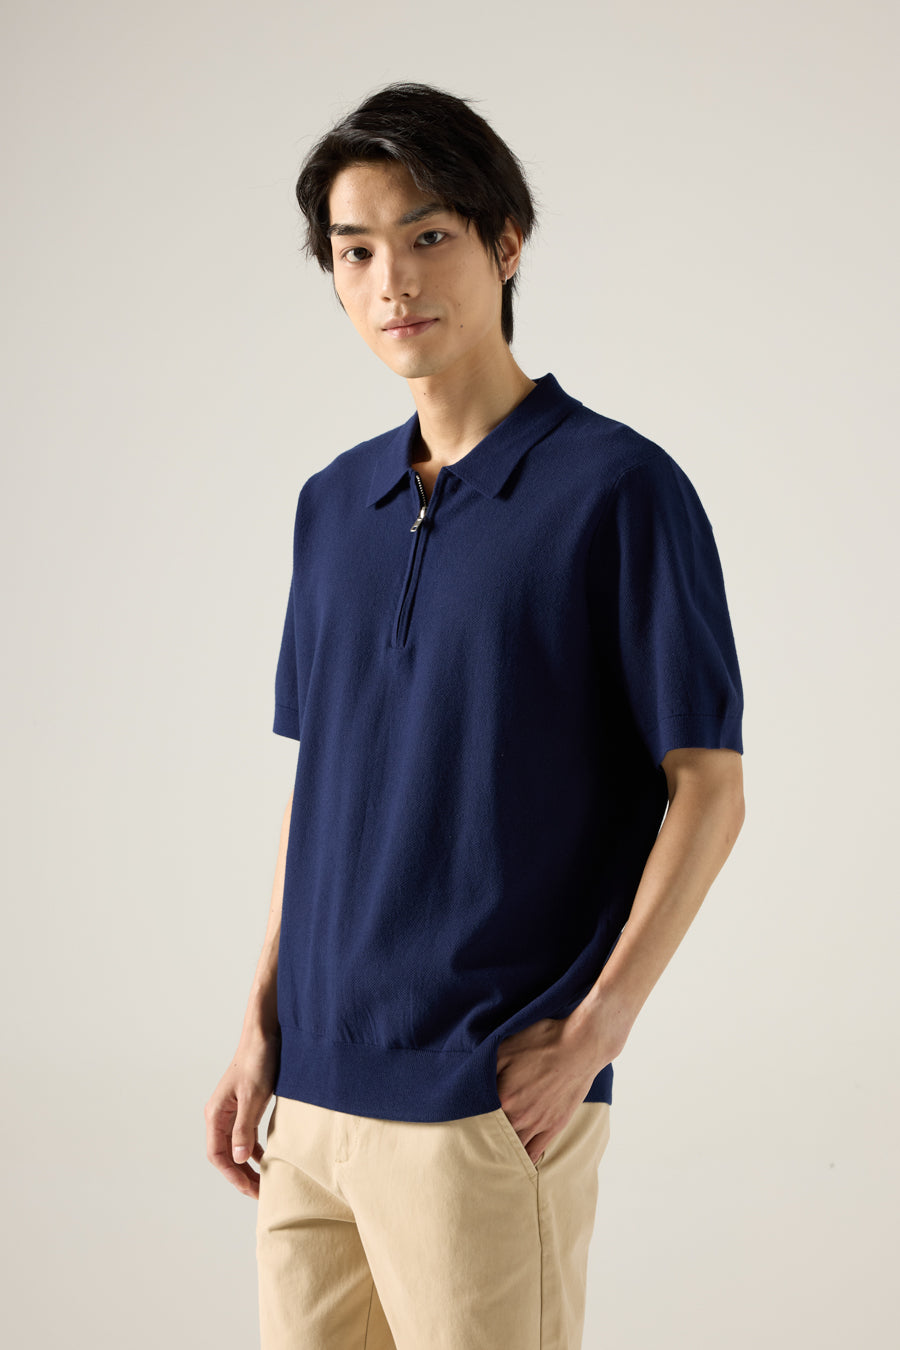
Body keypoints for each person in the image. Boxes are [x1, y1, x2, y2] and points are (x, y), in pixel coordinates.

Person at [205, 80, 746, 1350]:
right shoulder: (331, 506)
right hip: (312, 1098)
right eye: (355, 251)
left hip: (484, 1095)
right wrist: (260, 1025)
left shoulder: (619, 490)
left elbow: (710, 786)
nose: (391, 280)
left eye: (428, 235)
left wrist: (595, 1034)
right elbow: (322, 788)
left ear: (507, 243)